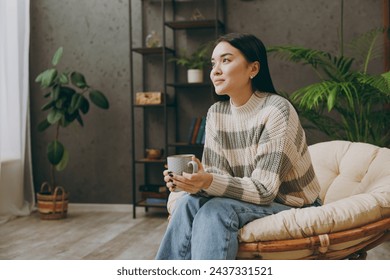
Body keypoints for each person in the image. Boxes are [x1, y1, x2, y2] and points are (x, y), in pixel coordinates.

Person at [155, 33, 321, 260]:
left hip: (292, 204)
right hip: (246, 200)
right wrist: (192, 183)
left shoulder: (276, 111)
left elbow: (265, 190)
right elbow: (218, 174)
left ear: (253, 69)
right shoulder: (216, 113)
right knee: (187, 203)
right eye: (213, 63)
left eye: (226, 60)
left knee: (216, 211)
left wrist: (209, 181)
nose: (215, 70)